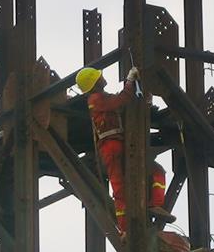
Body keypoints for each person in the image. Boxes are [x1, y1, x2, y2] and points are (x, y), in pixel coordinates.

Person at [75, 66, 175, 232]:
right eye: (98, 76)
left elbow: (122, 104)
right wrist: (129, 81)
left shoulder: (102, 99)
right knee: (120, 190)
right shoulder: (95, 100)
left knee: (157, 171)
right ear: (94, 82)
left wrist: (145, 100)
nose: (102, 77)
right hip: (110, 146)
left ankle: (155, 205)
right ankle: (124, 230)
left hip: (121, 144)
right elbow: (121, 99)